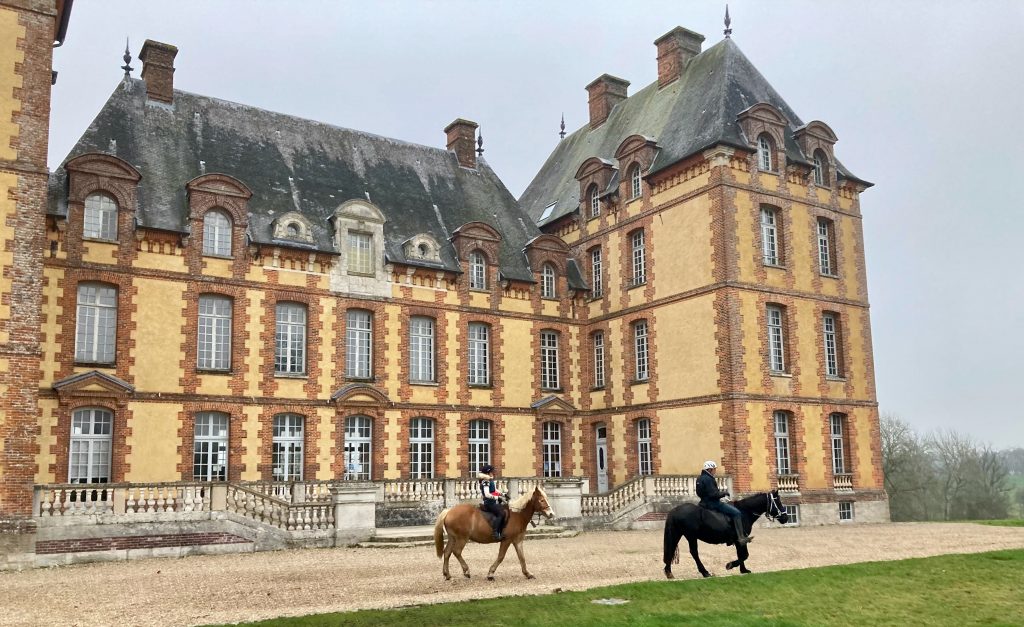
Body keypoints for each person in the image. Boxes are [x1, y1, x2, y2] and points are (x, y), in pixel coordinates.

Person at [696, 460, 752, 546]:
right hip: (713, 504)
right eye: (714, 469)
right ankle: (741, 537)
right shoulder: (708, 479)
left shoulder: (700, 478)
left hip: (703, 503)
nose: (715, 471)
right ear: (710, 469)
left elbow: (699, 493)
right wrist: (724, 493)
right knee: (736, 513)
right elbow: (713, 494)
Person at [478, 463, 506, 540]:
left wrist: (503, 494)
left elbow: (494, 490)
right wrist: (497, 498)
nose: (493, 473)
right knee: (501, 513)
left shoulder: (489, 480)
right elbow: (487, 494)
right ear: (488, 473)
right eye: (491, 471)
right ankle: (495, 532)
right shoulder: (486, 481)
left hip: (492, 502)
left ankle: (501, 530)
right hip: (489, 503)